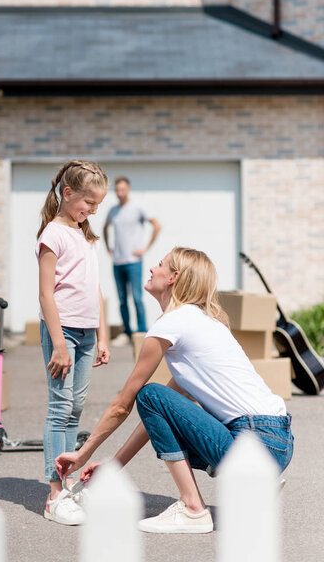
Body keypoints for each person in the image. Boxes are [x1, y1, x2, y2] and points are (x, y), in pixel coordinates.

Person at [56, 247, 294, 533]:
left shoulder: (173, 323)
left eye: (159, 265)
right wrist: (113, 466)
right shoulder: (203, 324)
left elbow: (125, 403)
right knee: (155, 400)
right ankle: (256, 482)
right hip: (276, 444)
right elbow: (159, 417)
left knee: (149, 393)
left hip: (255, 441)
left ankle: (193, 509)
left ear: (173, 278)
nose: (152, 269)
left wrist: (82, 454)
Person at [36, 159, 110, 525]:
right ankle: (54, 494)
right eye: (89, 203)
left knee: (76, 408)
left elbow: (94, 289)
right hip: (62, 332)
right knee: (59, 407)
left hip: (85, 333)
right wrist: (58, 343)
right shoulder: (53, 234)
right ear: (68, 194)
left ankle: (66, 486)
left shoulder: (85, 235)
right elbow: (46, 295)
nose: (93, 210)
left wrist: (102, 334)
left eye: (97, 205)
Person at [103, 177, 161, 346]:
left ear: (128, 189)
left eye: (122, 189)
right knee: (122, 299)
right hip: (117, 261)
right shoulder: (113, 211)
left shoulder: (137, 208)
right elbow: (105, 228)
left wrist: (146, 248)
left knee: (137, 297)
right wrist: (108, 247)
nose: (120, 193)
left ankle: (142, 331)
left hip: (134, 261)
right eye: (117, 190)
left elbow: (156, 225)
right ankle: (126, 332)